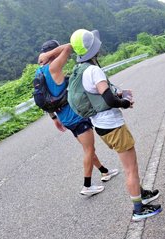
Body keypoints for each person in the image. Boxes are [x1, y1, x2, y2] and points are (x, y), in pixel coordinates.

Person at [69, 29, 161, 221]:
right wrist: (124, 103)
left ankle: (141, 193)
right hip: (112, 125)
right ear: (93, 49)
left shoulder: (80, 70)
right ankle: (138, 209)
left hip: (101, 126)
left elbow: (99, 95)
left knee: (130, 166)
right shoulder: (94, 70)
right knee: (131, 168)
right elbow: (109, 99)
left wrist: (118, 96)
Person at [37, 39, 119, 196]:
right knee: (89, 149)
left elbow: (45, 97)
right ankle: (87, 186)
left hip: (64, 117)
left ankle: (104, 172)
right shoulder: (53, 67)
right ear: (55, 52)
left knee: (87, 148)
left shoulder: (39, 72)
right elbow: (68, 47)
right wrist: (48, 54)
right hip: (75, 116)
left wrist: (54, 118)